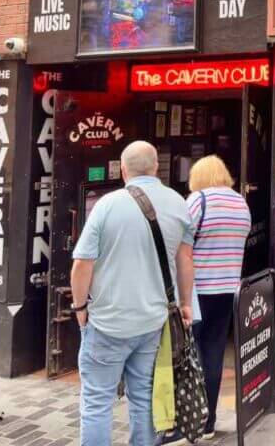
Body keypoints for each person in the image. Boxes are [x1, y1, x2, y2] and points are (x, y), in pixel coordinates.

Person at [71, 141, 195, 446]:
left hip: (107, 322)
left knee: (98, 402)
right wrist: (185, 303)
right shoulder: (179, 203)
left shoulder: (107, 204)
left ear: (124, 170)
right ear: (156, 168)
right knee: (143, 396)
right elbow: (185, 260)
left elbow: (82, 265)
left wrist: (80, 307)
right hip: (151, 321)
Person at [187, 155, 252, 441]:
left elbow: (181, 242)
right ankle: (208, 421)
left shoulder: (198, 200)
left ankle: (188, 417)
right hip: (228, 290)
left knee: (188, 354)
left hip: (197, 289)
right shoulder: (240, 202)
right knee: (213, 353)